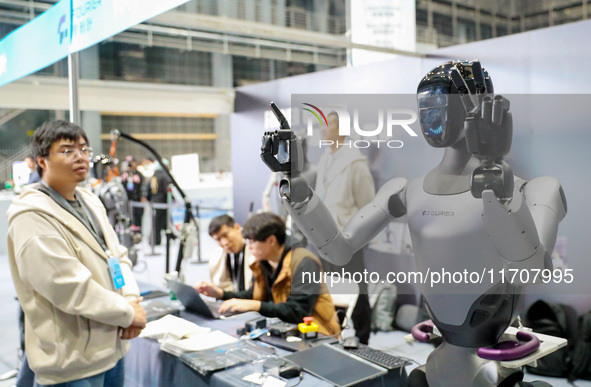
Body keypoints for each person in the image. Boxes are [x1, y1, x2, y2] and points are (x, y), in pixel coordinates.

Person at [6, 120, 146, 387]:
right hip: (73, 363)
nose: (80, 156)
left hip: (112, 346)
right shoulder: (32, 216)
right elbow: (67, 286)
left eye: (84, 149)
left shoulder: (89, 201)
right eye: (67, 150)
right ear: (42, 161)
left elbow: (117, 256)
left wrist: (130, 299)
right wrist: (127, 314)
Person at [197, 212, 341, 336]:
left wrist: (256, 306)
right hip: (284, 330)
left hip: (316, 334)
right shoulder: (263, 262)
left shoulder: (304, 262)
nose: (250, 247)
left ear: (271, 240)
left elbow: (298, 311)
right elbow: (252, 296)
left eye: (253, 242)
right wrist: (220, 294)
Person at [314, 111, 375, 344]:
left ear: (342, 129)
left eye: (328, 125)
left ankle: (363, 337)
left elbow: (367, 205)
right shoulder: (324, 159)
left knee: (356, 290)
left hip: (348, 240)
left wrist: (356, 236)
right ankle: (335, 334)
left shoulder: (355, 162)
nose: (323, 130)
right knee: (332, 289)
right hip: (324, 238)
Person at [207, 214, 254, 292]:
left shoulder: (255, 250)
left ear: (237, 228)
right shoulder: (217, 256)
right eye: (218, 239)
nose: (224, 242)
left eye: (225, 235)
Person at [146, 160, 172, 245]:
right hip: (162, 203)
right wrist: (171, 199)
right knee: (160, 222)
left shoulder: (154, 176)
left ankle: (157, 240)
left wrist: (150, 199)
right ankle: (155, 241)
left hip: (154, 202)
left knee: (159, 222)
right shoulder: (164, 176)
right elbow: (167, 190)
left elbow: (148, 190)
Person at [120, 156, 145, 228]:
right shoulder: (125, 174)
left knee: (138, 217)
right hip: (127, 200)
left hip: (137, 200)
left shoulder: (139, 174)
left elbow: (144, 186)